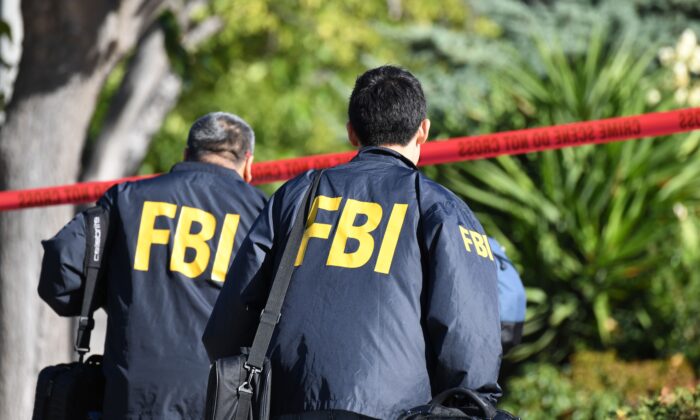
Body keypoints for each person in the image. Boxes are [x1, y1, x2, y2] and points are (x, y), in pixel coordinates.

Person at [203, 66, 503, 419]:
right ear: (423, 129)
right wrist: (470, 405)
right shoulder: (441, 208)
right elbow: (467, 336)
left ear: (351, 133)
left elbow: (231, 318)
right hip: (398, 411)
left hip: (288, 403)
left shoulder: (298, 194)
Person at [38, 112, 266, 419]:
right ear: (248, 163)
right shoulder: (261, 213)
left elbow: (61, 278)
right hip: (217, 402)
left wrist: (121, 290)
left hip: (130, 399)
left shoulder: (126, 197)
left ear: (187, 153)